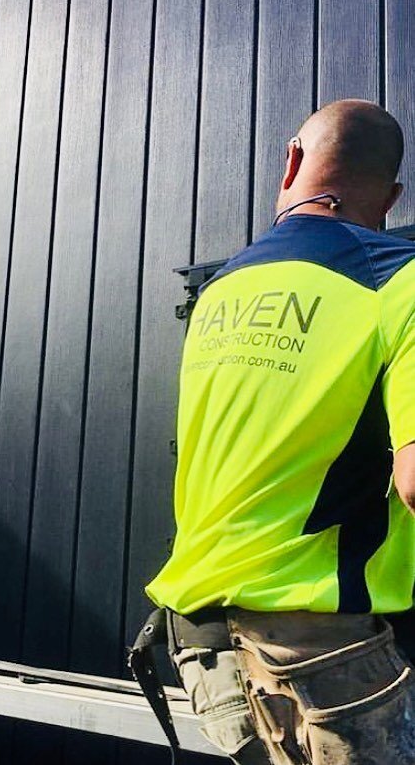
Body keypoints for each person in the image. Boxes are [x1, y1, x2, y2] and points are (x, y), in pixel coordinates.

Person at [145, 99, 415, 764]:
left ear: (292, 160)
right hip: (326, 662)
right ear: (392, 197)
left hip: (206, 652)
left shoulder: (220, 291)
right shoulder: (399, 278)